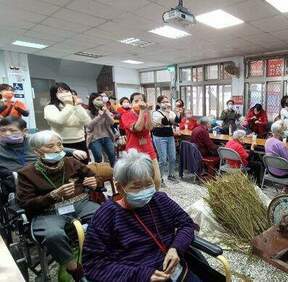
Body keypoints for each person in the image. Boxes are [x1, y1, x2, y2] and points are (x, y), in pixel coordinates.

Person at [83, 149, 198, 281]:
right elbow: (93, 264)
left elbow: (187, 224)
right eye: (136, 187)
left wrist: (176, 248)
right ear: (120, 188)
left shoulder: (160, 200)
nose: (145, 191)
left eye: (148, 184)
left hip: (174, 270)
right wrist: (141, 275)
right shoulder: (107, 215)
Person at [16, 130, 100, 281]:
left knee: (107, 216)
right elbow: (26, 204)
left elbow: (95, 178)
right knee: (53, 235)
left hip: (80, 204)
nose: (57, 149)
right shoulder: (27, 173)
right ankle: (76, 271)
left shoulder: (71, 162)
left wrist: (95, 183)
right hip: (49, 212)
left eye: (60, 144)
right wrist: (52, 196)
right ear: (37, 151)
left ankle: (103, 258)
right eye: (50, 146)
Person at [0, 117, 87, 172]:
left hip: (37, 174)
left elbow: (53, 147)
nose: (7, 134)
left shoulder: (34, 140)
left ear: (24, 131)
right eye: (3, 130)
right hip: (9, 179)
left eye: (13, 131)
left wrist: (73, 151)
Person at [121, 92, 161, 190]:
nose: (140, 103)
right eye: (136, 101)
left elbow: (149, 127)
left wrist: (149, 111)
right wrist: (143, 112)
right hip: (134, 153)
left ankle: (155, 198)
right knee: (138, 182)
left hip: (149, 150)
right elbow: (138, 128)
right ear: (131, 104)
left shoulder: (146, 113)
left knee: (157, 180)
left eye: (142, 100)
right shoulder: (126, 115)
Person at [44, 82, 91, 163]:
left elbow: (87, 122)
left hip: (80, 142)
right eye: (60, 92)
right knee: (66, 169)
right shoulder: (50, 107)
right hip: (62, 144)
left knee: (83, 168)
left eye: (67, 91)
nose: (65, 94)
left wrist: (77, 106)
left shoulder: (76, 106)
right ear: (54, 94)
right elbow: (59, 121)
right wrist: (69, 105)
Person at [152, 96, 179, 184]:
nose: (166, 103)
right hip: (159, 136)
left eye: (167, 101)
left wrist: (178, 113)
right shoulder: (155, 113)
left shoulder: (171, 112)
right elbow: (165, 122)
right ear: (159, 104)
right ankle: (160, 178)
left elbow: (176, 121)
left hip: (170, 136)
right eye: (163, 102)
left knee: (173, 157)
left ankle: (171, 175)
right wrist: (167, 113)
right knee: (163, 159)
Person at [86, 93, 116, 166]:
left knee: (112, 155)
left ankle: (114, 173)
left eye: (101, 100)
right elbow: (89, 126)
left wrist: (106, 113)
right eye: (97, 100)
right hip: (94, 138)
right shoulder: (88, 112)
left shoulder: (105, 109)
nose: (100, 101)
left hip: (106, 136)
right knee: (98, 157)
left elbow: (112, 122)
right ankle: (100, 173)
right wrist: (99, 116)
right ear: (92, 101)